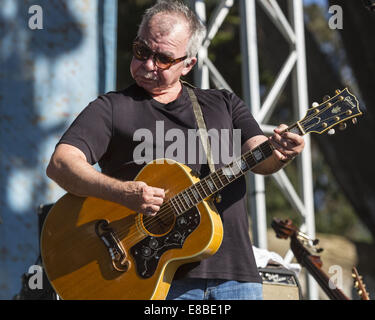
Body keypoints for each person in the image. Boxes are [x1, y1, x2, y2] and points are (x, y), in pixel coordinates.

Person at [46, 0, 305, 300]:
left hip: (236, 276)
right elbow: (61, 163)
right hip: (154, 280)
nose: (147, 65)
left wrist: (283, 150)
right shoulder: (112, 108)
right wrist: (123, 193)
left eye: (164, 59)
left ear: (188, 64)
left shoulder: (224, 104)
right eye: (142, 51)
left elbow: (262, 158)